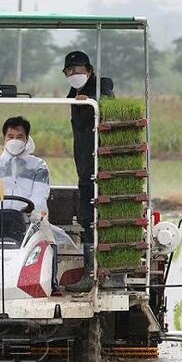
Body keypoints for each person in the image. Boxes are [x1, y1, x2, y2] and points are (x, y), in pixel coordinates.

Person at [0, 116, 62, 294]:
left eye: (19, 137)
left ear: (26, 139)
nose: (14, 140)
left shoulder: (38, 166)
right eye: (10, 136)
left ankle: (52, 283)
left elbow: (40, 194)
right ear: (4, 138)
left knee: (49, 238)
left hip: (30, 219)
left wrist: (31, 211)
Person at [62, 51, 114, 293]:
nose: (74, 75)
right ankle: (89, 273)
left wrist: (91, 98)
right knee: (86, 216)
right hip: (84, 165)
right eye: (69, 71)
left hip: (102, 165)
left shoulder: (101, 85)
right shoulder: (72, 94)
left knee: (102, 217)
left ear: (90, 69)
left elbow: (105, 99)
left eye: (78, 70)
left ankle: (104, 274)